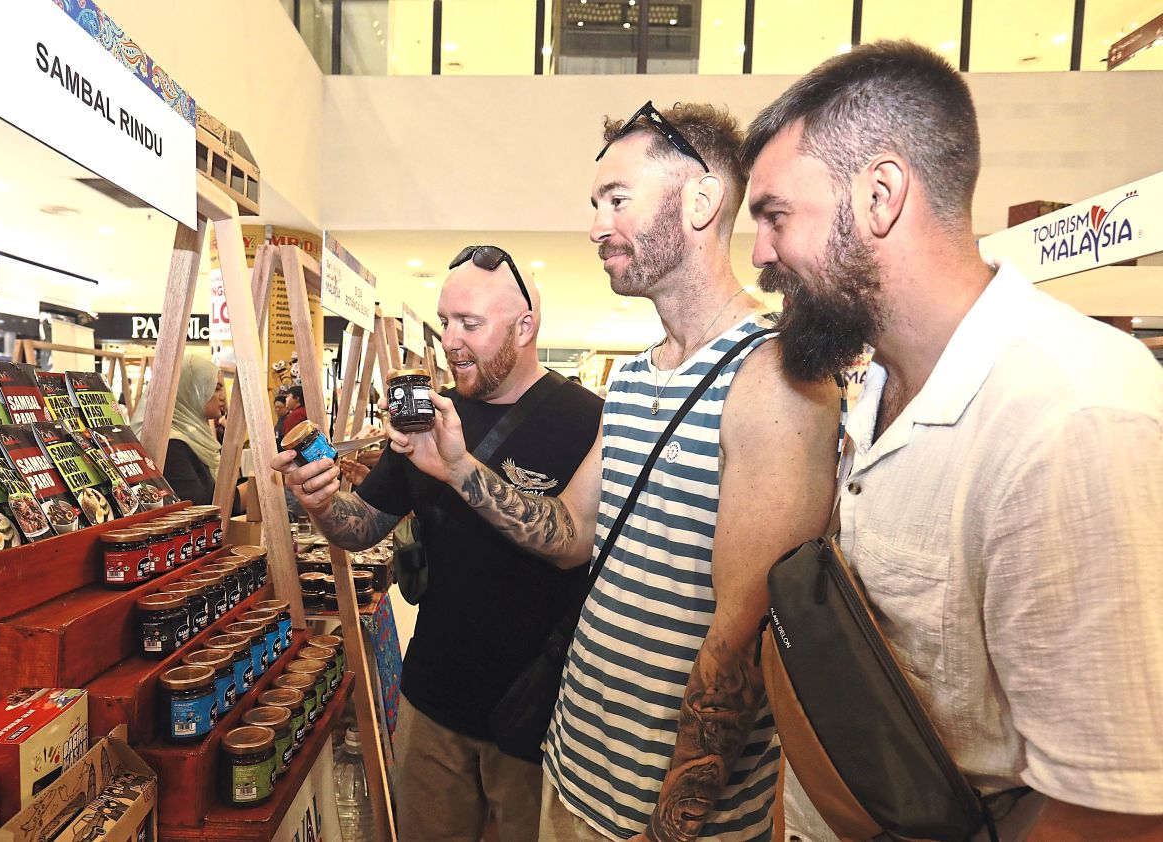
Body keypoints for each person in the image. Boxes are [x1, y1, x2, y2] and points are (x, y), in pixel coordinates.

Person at [381, 104, 842, 841]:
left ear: (700, 201)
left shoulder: (775, 380)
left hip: (663, 817)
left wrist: (671, 827)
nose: (597, 225)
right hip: (571, 775)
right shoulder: (631, 380)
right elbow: (569, 533)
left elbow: (742, 640)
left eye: (617, 200)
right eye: (595, 204)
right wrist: (461, 469)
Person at [738, 40, 1163, 841]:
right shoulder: (874, 387)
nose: (759, 253)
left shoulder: (1071, 418)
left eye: (774, 216)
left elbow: (1114, 817)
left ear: (880, 196)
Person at [271, 248, 603, 842]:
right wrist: (320, 502)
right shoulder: (427, 413)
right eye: (445, 320)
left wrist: (458, 469)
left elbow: (568, 541)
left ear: (524, 328)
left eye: (469, 324)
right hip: (432, 703)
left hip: (538, 717)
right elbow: (364, 526)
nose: (450, 340)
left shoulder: (586, 420)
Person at [131, 353, 225, 506]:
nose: (222, 397)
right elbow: (195, 503)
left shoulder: (191, 436)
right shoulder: (171, 445)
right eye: (215, 388)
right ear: (190, 391)